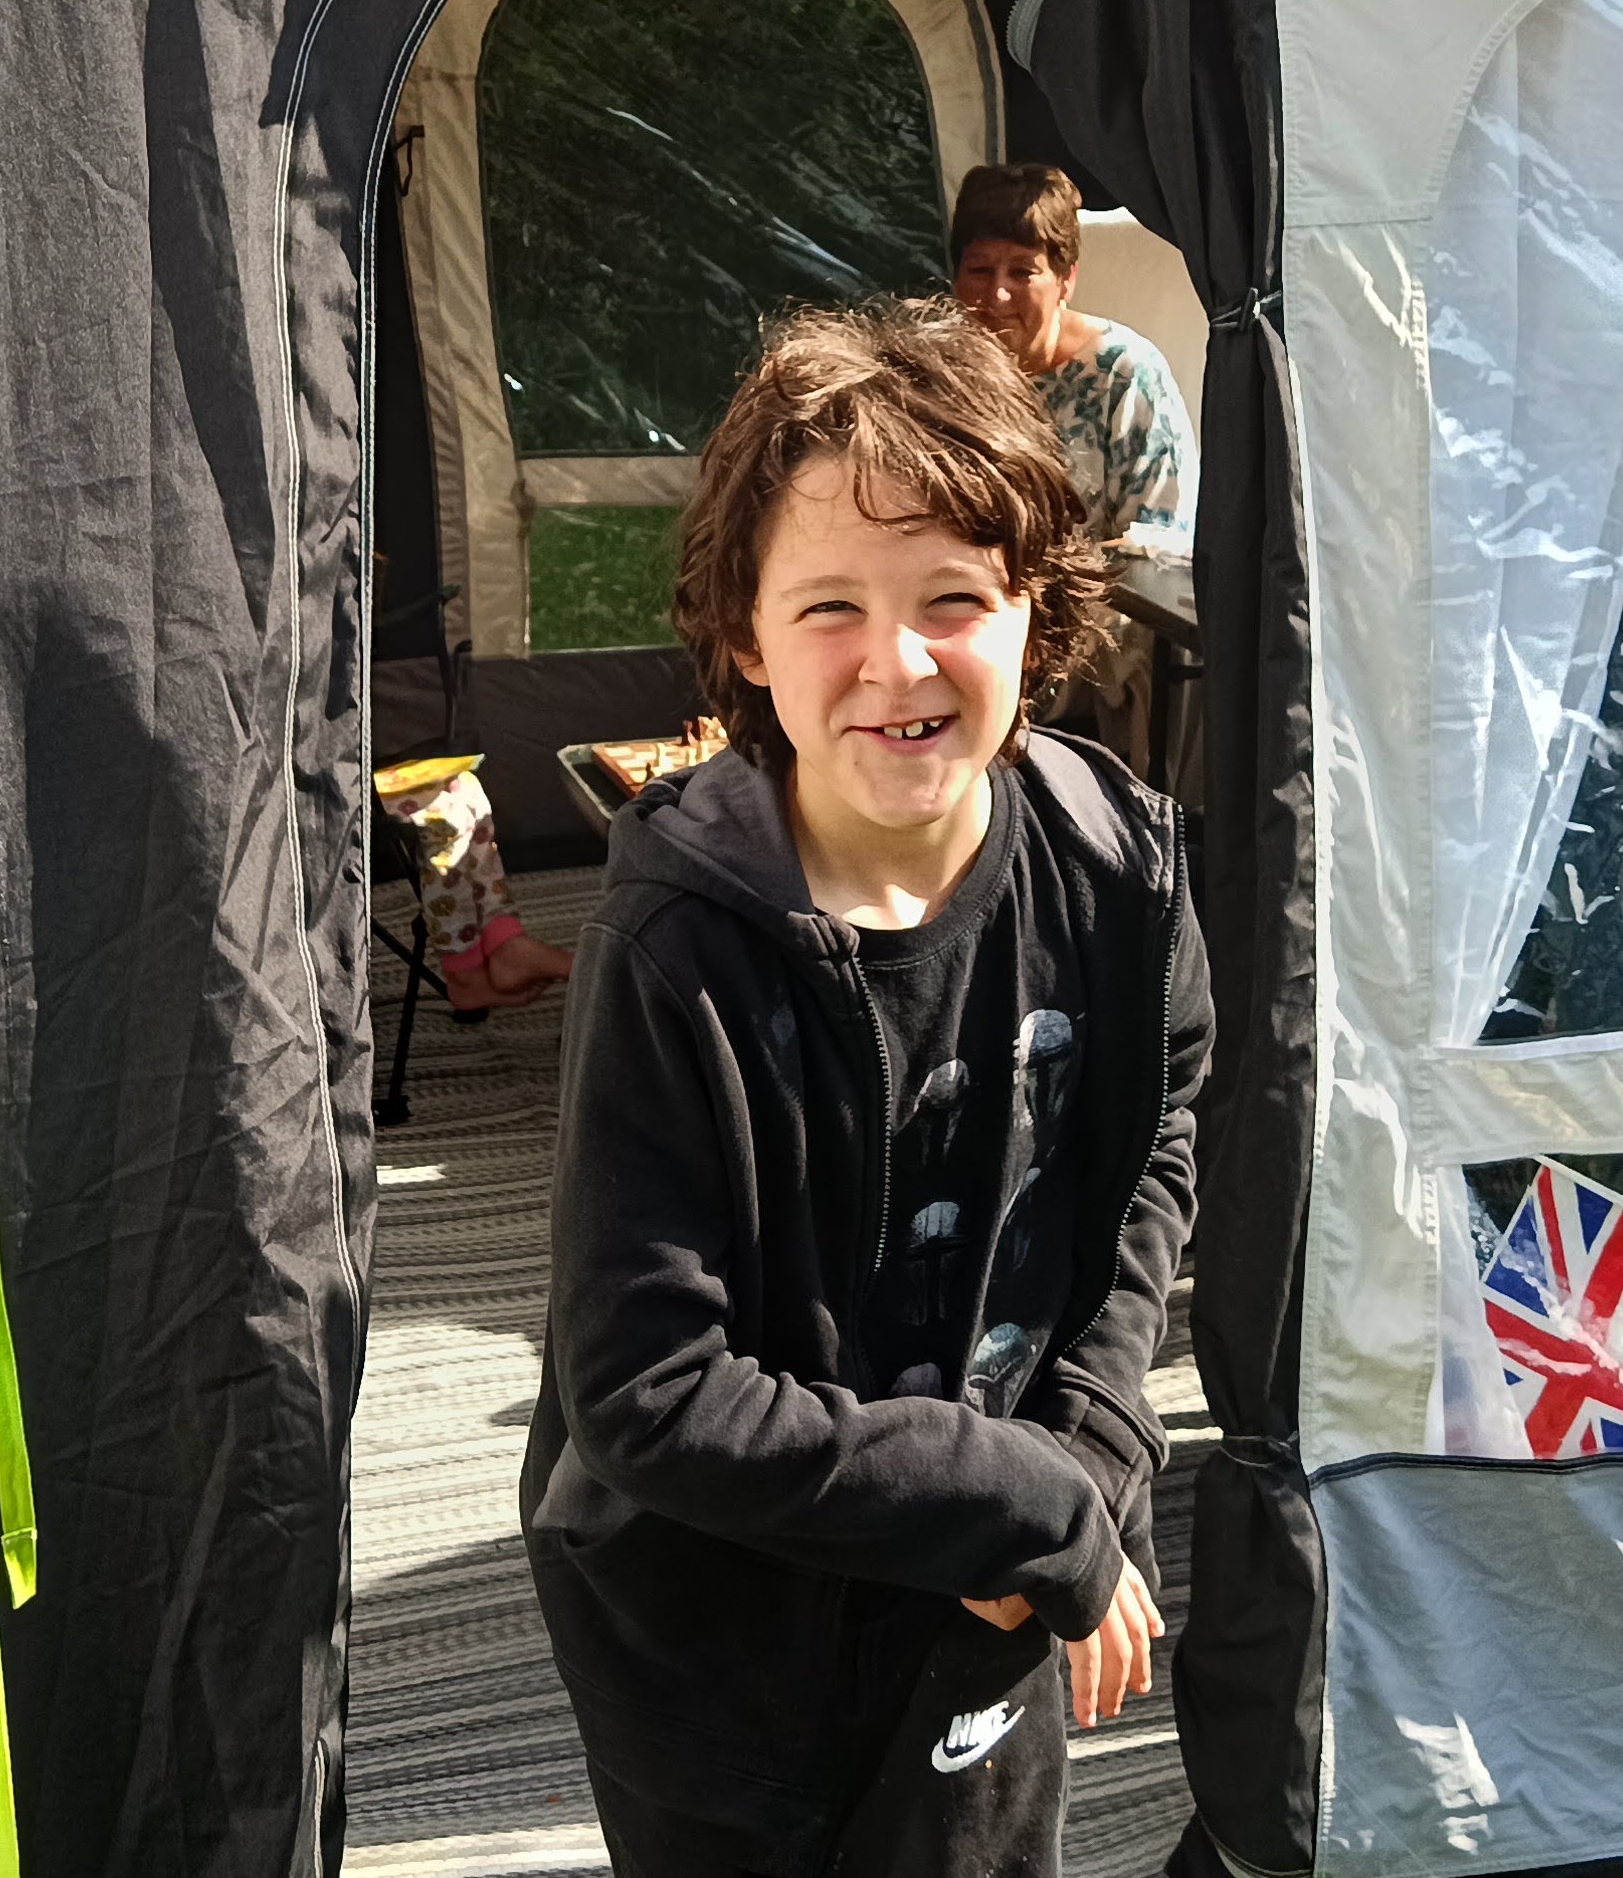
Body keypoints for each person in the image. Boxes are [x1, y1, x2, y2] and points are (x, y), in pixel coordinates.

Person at [524, 299, 1208, 1878]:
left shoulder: (1119, 877)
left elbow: (1156, 1145)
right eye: (829, 606)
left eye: (954, 598)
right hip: (728, 1662)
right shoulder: (681, 944)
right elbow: (646, 1387)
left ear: (1039, 609)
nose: (897, 662)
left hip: (989, 1605)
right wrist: (1018, 1497)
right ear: (748, 639)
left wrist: (1091, 1451)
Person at [945, 164, 1193, 556]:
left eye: (1022, 272)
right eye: (980, 270)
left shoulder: (1124, 375)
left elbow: (1161, 546)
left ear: (1066, 281)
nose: (997, 294)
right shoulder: (935, 371)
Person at [375, 753, 576, 1013]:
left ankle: (504, 942)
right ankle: (464, 975)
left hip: (405, 761)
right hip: (350, 768)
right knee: (446, 822)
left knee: (469, 795)